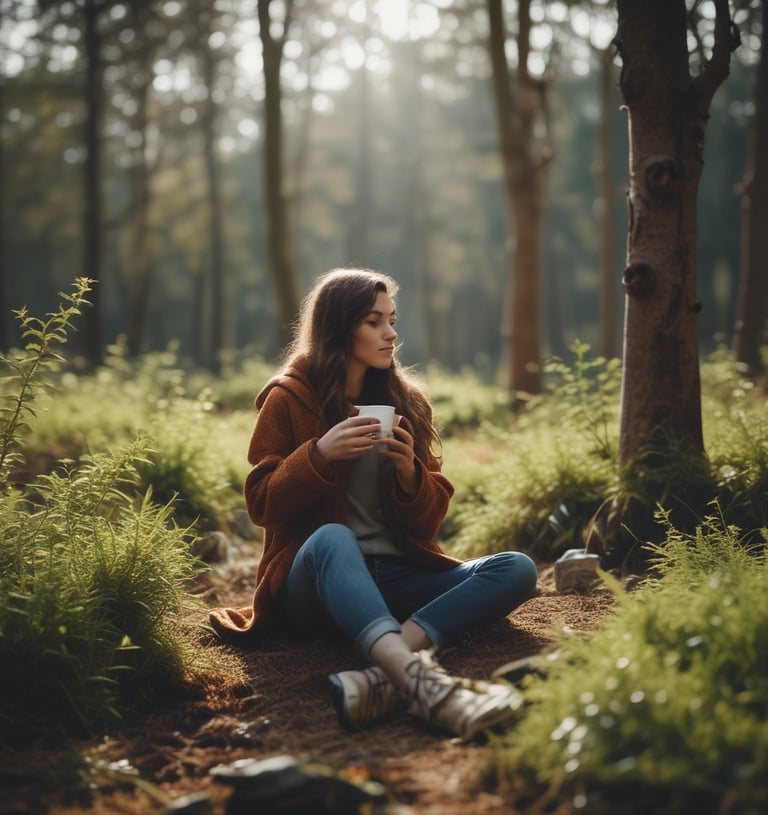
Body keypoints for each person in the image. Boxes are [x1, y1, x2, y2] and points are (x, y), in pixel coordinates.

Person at [210, 268, 538, 740]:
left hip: (395, 578)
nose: (391, 333)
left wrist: (410, 475)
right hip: (315, 586)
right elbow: (262, 503)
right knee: (332, 537)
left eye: (392, 319)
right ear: (339, 327)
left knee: (517, 568)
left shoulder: (405, 402)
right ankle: (425, 684)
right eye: (374, 321)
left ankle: (388, 675)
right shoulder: (288, 399)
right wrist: (319, 455)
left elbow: (431, 519)